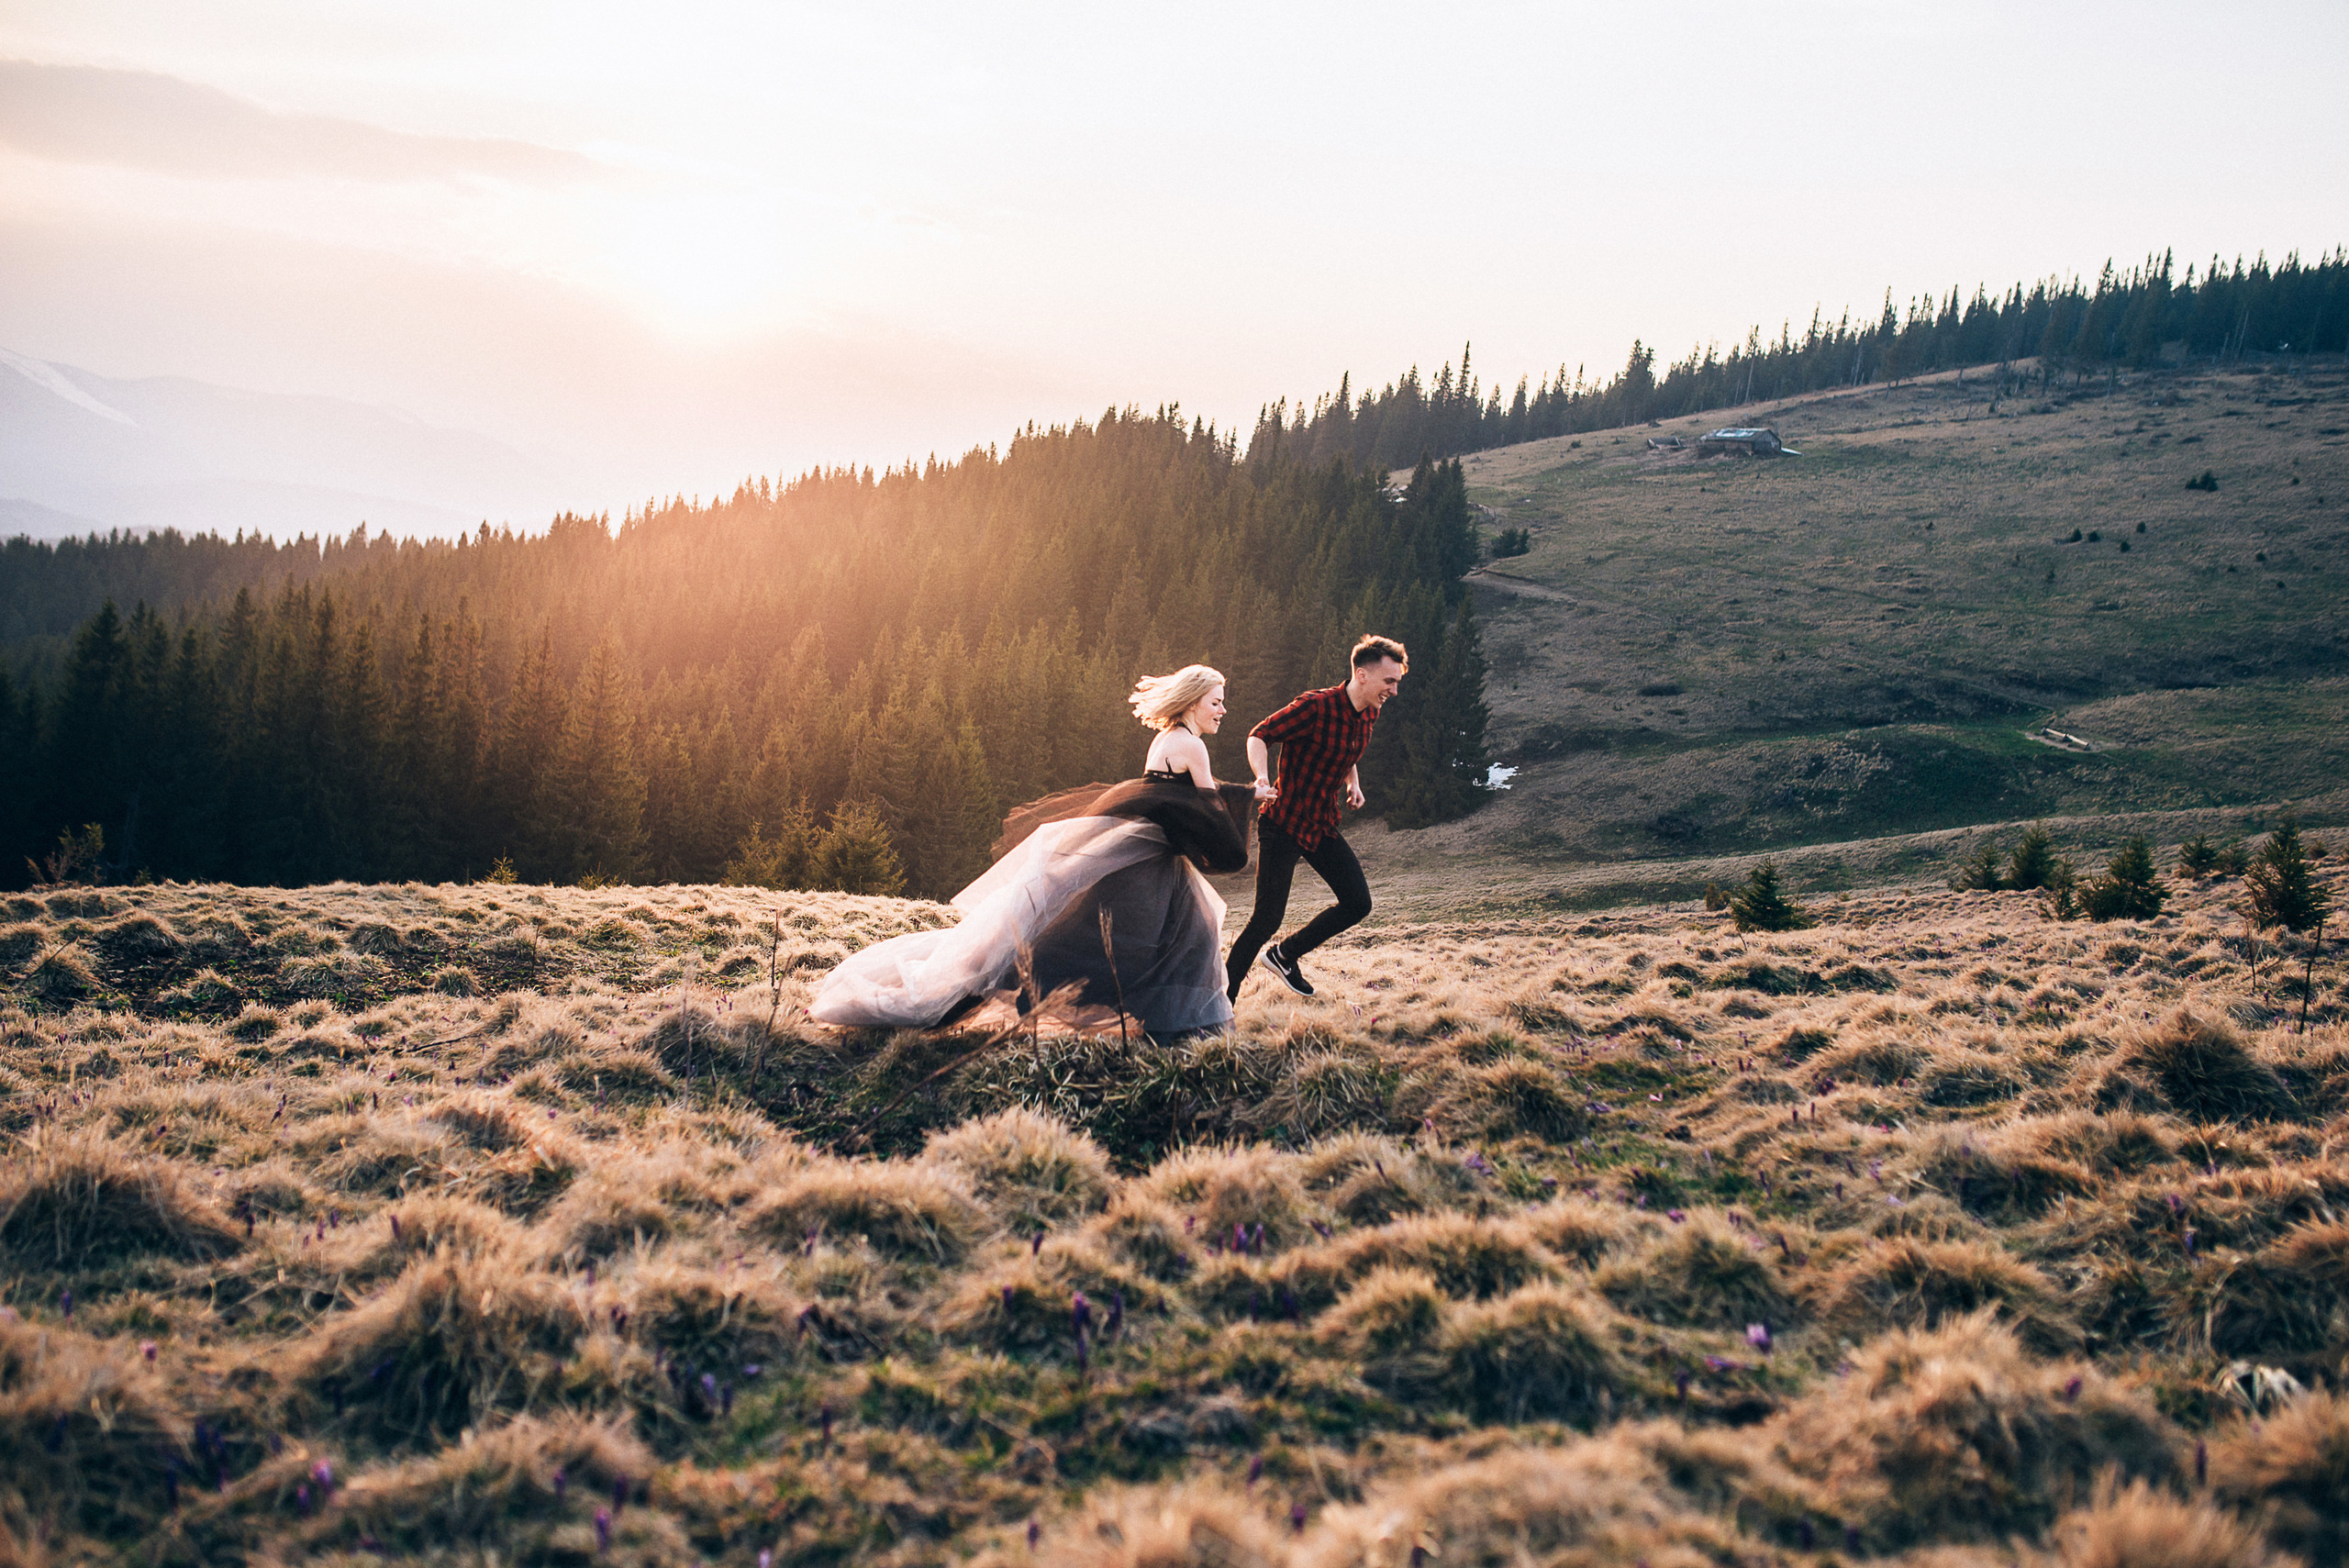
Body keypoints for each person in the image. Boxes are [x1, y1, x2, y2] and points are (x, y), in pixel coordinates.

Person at [808, 664, 1263, 1035]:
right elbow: (1206, 807)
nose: (1223, 710)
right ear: (1192, 702)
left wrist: (1247, 793)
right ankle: (1181, 1028)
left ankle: (1178, 1025)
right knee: (1131, 942)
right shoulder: (1191, 746)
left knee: (1170, 935)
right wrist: (1242, 809)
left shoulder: (1169, 740)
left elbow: (1185, 793)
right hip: (1148, 862)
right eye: (1216, 701)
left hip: (1147, 857)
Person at [1224, 635, 1406, 1001]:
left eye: (1398, 682)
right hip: (1284, 823)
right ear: (1363, 675)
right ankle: (1218, 1000)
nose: (1395, 691)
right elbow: (1259, 735)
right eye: (1390, 681)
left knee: (1358, 902)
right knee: (1266, 920)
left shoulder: (1370, 711)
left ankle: (1284, 955)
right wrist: (1261, 776)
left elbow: (1348, 749)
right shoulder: (1316, 706)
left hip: (1321, 824)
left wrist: (1354, 783)